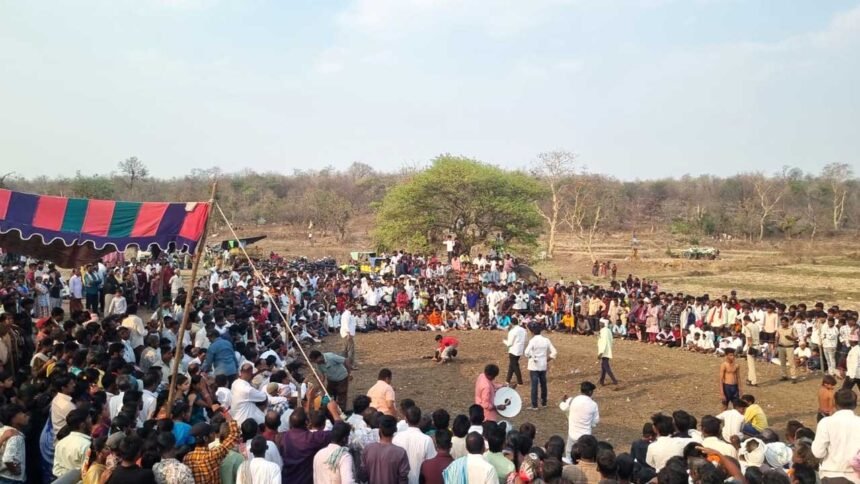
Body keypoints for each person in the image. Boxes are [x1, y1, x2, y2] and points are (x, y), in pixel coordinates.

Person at [279, 400, 343, 484]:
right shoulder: (311, 438)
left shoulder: (283, 437)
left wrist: (310, 400)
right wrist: (333, 411)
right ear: (307, 422)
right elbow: (340, 431)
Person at [812, 389, 860, 483]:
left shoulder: (825, 423)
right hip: (856, 476)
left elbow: (818, 453)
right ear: (855, 404)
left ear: (835, 403)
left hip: (831, 475)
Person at [183, 408, 240, 484]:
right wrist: (229, 418)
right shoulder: (211, 456)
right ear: (205, 438)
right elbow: (234, 435)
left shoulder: (187, 458)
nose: (213, 433)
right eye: (211, 432)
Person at [360, 415, 410, 484]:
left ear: (380, 430)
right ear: (395, 430)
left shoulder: (368, 449)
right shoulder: (400, 452)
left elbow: (363, 475)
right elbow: (403, 479)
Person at [392, 406, 436, 484]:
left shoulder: (397, 437)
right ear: (420, 419)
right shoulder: (427, 440)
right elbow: (431, 463)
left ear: (406, 419)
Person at [559, 381, 599, 457]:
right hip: (585, 436)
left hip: (572, 434)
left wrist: (562, 401)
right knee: (584, 455)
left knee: (569, 454)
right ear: (590, 392)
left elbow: (563, 407)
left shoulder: (572, 400)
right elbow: (595, 421)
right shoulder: (593, 404)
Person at [524, 325, 557, 410]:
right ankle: (544, 402)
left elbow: (526, 352)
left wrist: (532, 356)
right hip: (543, 365)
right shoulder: (546, 340)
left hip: (534, 366)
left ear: (532, 332)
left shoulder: (532, 341)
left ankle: (534, 405)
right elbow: (554, 352)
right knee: (543, 384)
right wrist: (547, 359)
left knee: (534, 386)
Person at [53, 408, 92, 480]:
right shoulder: (87, 445)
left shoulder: (60, 443)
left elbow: (56, 470)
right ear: (82, 425)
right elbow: (88, 474)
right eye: (89, 419)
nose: (91, 422)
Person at [0, 404, 27, 483]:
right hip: (11, 479)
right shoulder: (15, 436)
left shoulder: (2, 431)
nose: (25, 415)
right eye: (20, 413)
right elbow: (7, 459)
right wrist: (16, 471)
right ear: (13, 419)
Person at [502, 317, 527, 386]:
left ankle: (520, 381)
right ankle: (507, 380)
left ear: (511, 323)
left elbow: (509, 344)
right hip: (520, 350)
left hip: (513, 350)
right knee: (512, 365)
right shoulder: (523, 330)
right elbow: (525, 340)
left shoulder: (512, 331)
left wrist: (504, 341)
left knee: (515, 366)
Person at [776, 317, 798, 383]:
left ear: (787, 322)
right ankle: (784, 375)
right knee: (782, 362)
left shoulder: (792, 328)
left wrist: (791, 338)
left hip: (789, 347)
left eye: (783, 322)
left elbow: (796, 337)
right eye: (781, 322)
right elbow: (777, 336)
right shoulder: (779, 328)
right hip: (781, 347)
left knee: (791, 362)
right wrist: (776, 342)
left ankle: (793, 377)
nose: (782, 323)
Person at [597, 319, 618, 386]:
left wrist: (601, 352)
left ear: (604, 324)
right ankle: (601, 380)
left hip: (604, 351)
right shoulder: (607, 330)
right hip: (607, 350)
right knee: (603, 366)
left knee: (606, 366)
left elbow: (604, 342)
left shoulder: (604, 331)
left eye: (601, 323)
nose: (599, 324)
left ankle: (614, 380)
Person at [742, 315, 760, 387]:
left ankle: (754, 381)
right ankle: (750, 379)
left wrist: (748, 347)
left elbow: (749, 338)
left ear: (745, 320)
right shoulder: (756, 326)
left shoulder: (747, 327)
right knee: (750, 364)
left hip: (752, 346)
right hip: (757, 345)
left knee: (751, 365)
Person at [340, 304, 356, 368]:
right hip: (347, 334)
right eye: (352, 308)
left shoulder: (348, 314)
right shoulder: (346, 315)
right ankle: (350, 364)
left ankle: (344, 364)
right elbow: (345, 324)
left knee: (345, 350)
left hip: (347, 334)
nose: (353, 309)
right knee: (350, 350)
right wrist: (348, 333)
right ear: (349, 307)